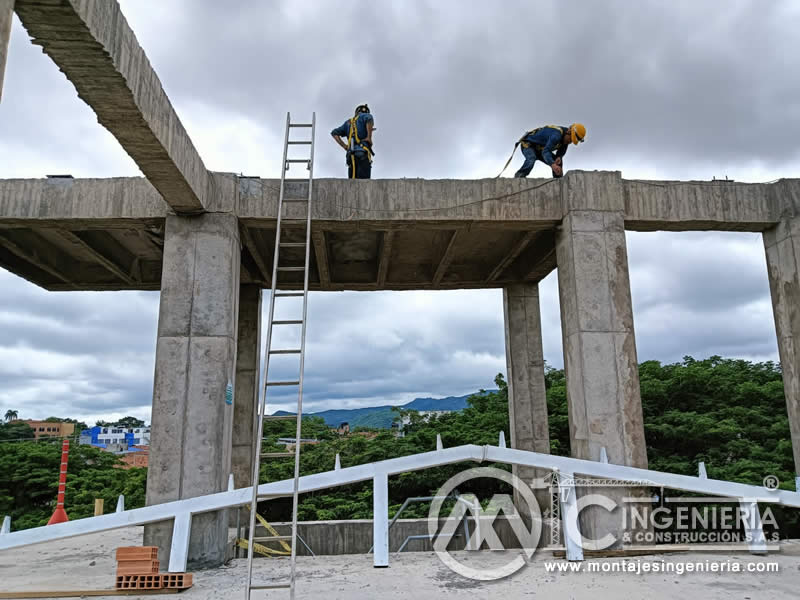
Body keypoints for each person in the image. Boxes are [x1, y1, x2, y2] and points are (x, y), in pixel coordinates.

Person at [512, 123, 586, 178]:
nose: (569, 142)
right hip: (528, 145)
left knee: (557, 162)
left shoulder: (565, 140)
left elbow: (561, 151)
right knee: (531, 158)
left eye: (572, 141)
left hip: (540, 149)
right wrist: (552, 164)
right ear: (569, 131)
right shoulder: (556, 135)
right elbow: (546, 151)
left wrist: (559, 157)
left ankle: (558, 181)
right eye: (570, 139)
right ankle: (519, 177)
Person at [331, 104, 375, 179]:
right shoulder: (365, 116)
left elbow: (334, 133)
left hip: (351, 156)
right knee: (363, 183)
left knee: (352, 181)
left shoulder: (348, 123)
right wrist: (369, 137)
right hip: (362, 153)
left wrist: (345, 146)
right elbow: (369, 118)